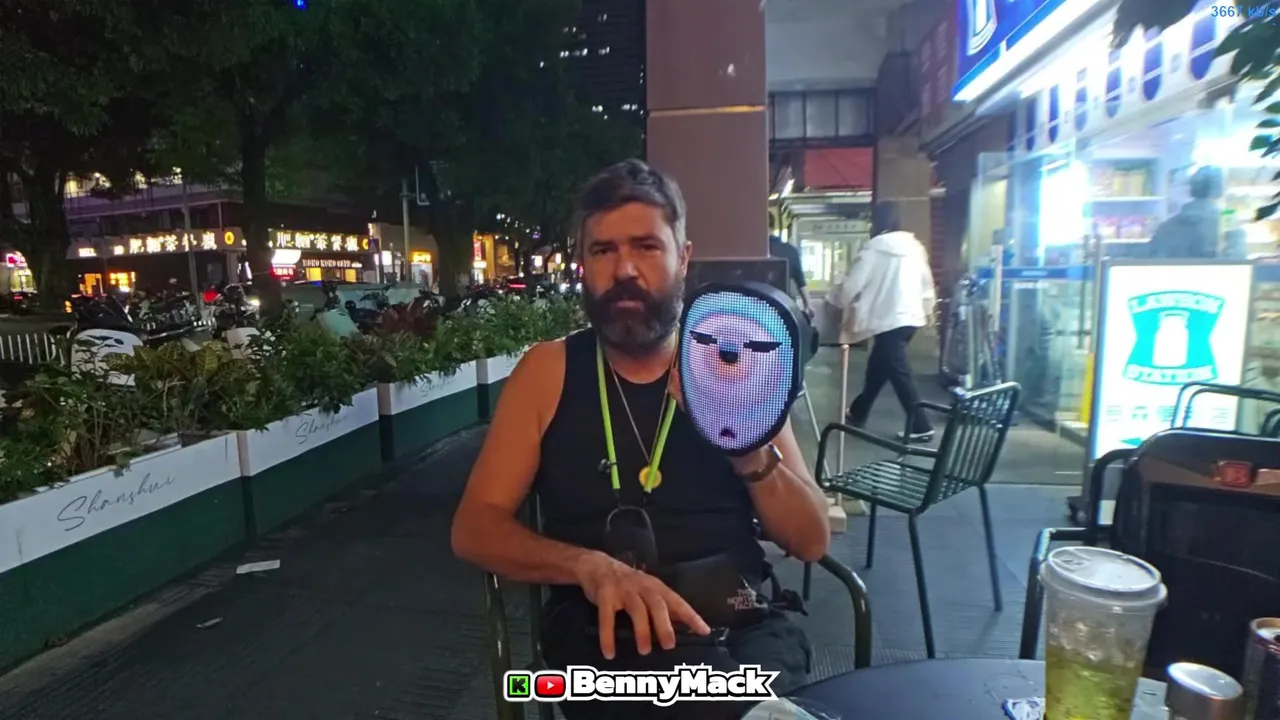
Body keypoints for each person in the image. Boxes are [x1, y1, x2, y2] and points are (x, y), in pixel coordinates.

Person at [452, 159, 830, 719]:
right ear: (583, 264)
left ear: (683, 257)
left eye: (647, 247)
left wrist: (745, 446)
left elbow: (811, 540)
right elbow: (475, 528)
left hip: (738, 625)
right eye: (603, 250)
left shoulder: (734, 363)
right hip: (607, 637)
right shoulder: (548, 372)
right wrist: (588, 567)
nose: (624, 269)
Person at [832, 201, 937, 443]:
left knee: (900, 373)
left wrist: (835, 299)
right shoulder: (915, 248)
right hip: (911, 317)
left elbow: (853, 283)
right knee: (878, 367)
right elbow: (926, 283)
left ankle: (921, 425)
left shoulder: (874, 249)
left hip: (887, 319)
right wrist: (927, 310)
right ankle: (858, 412)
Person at [768, 234, 814, 318]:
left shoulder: (751, 250)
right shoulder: (790, 250)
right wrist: (808, 305)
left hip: (756, 306)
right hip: (784, 307)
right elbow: (800, 281)